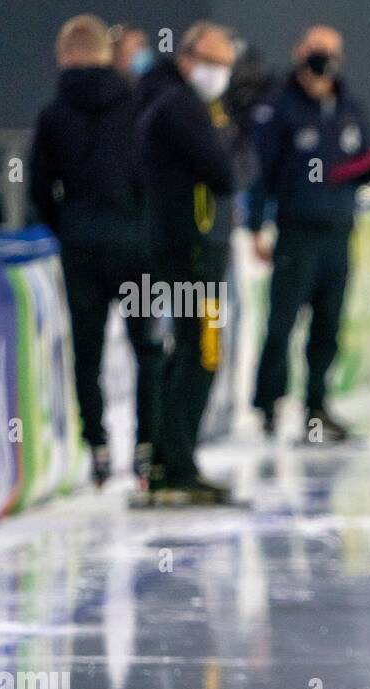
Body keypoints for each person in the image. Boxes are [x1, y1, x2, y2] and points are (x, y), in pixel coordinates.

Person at [247, 25, 370, 442]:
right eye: (315, 49)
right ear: (298, 51)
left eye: (330, 51)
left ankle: (316, 405)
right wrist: (255, 226)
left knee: (328, 324)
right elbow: (260, 174)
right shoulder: (277, 109)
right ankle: (268, 404)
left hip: (338, 232)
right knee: (283, 323)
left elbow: (355, 170)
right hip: (296, 232)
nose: (322, 57)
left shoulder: (349, 109)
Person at [29, 13, 161, 488]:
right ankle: (148, 451)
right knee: (147, 347)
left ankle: (99, 450)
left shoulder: (52, 114)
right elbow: (153, 176)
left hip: (81, 247)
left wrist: (67, 227)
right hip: (136, 247)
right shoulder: (138, 104)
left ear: (65, 56)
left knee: (87, 353)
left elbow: (40, 188)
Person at [134, 21, 239, 505]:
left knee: (188, 352)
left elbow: (232, 167)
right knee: (200, 353)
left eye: (227, 65)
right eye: (214, 63)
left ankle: (169, 461)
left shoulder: (182, 104)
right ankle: (176, 465)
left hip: (187, 249)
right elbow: (225, 170)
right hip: (192, 253)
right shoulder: (179, 106)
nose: (221, 73)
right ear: (189, 58)